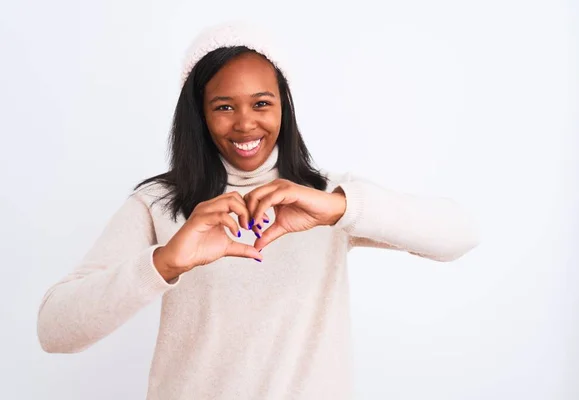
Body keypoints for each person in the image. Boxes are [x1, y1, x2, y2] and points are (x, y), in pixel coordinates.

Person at [37, 21, 480, 399]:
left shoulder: (328, 198)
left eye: (262, 103)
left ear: (284, 105)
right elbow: (54, 330)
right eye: (224, 107)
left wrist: (339, 208)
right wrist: (166, 262)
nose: (246, 123)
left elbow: (460, 235)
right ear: (199, 116)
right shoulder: (158, 203)